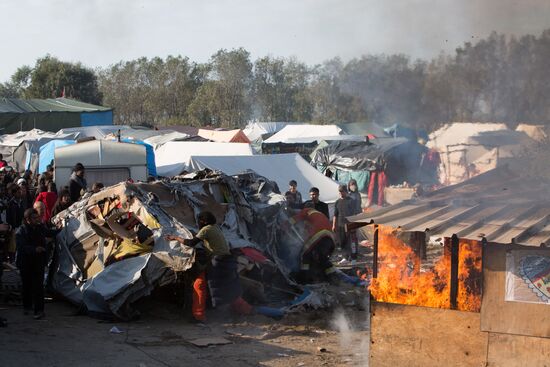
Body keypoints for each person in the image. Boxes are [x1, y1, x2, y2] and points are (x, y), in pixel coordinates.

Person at [165, 211, 252, 323]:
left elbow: (191, 243)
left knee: (200, 284)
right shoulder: (215, 228)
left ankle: (199, 316)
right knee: (228, 287)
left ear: (203, 221)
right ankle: (247, 310)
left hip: (218, 261)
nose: (198, 223)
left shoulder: (206, 229)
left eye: (199, 221)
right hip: (227, 261)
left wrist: (175, 238)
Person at [15, 208, 59, 319]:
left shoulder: (40, 228)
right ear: (27, 219)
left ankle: (39, 311)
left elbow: (49, 233)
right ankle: (27, 306)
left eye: (37, 217)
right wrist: (34, 249)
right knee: (27, 286)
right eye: (34, 218)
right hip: (25, 262)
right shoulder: (21, 231)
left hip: (38, 262)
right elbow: (22, 247)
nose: (37, 220)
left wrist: (61, 229)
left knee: (38, 287)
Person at [287, 207, 336, 283]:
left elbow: (295, 219)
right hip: (330, 236)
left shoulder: (306, 210)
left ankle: (304, 278)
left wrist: (285, 224)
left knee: (305, 255)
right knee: (323, 258)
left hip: (319, 233)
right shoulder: (318, 213)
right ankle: (332, 277)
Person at [332, 184, 355, 262]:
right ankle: (345, 257)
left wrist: (353, 224)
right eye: (340, 191)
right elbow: (335, 215)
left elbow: (354, 214)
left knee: (350, 241)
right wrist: (333, 225)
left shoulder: (351, 201)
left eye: (342, 191)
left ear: (346, 191)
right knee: (342, 241)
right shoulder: (337, 202)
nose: (341, 193)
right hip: (340, 224)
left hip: (349, 225)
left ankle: (350, 257)